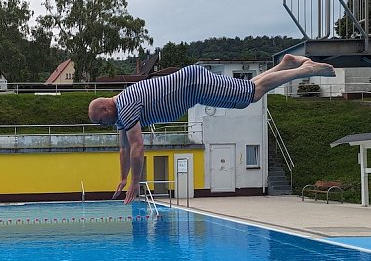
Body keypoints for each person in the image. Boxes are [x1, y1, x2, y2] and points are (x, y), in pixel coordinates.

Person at [88, 54, 335, 203]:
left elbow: (136, 147)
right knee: (247, 91)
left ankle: (305, 70)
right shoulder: (120, 109)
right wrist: (122, 177)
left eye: (101, 122)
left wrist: (135, 182)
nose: (103, 127)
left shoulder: (126, 106)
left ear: (106, 111)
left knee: (251, 94)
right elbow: (123, 148)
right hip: (192, 84)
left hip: (195, 85)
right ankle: (285, 64)